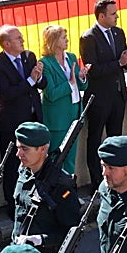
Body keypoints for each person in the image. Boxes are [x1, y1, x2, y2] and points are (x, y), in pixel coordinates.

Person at [11, 121, 89, 253]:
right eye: (18, 148)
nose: (19, 154)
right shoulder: (24, 173)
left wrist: (40, 240)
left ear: (43, 149)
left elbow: (72, 232)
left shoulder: (60, 185)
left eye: (25, 149)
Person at [0, 24, 47, 211]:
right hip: (13, 122)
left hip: (33, 117)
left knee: (38, 160)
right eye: (18, 38)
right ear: (6, 44)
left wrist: (38, 78)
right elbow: (7, 94)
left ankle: (36, 198)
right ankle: (12, 204)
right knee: (13, 163)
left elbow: (41, 83)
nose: (22, 41)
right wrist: (30, 80)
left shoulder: (29, 56)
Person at [79, 0, 127, 186]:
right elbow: (93, 69)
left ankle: (117, 176)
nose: (117, 16)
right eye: (113, 14)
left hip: (117, 95)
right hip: (99, 97)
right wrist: (119, 62)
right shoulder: (89, 37)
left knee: (115, 137)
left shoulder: (118, 33)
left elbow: (124, 62)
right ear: (101, 16)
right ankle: (97, 179)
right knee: (95, 138)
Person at [39, 24, 89, 177]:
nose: (67, 40)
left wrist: (82, 77)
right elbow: (51, 93)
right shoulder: (45, 63)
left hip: (74, 113)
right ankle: (56, 194)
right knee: (57, 158)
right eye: (63, 37)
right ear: (53, 41)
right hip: (57, 119)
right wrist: (70, 83)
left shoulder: (71, 57)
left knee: (70, 158)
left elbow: (81, 86)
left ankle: (70, 194)